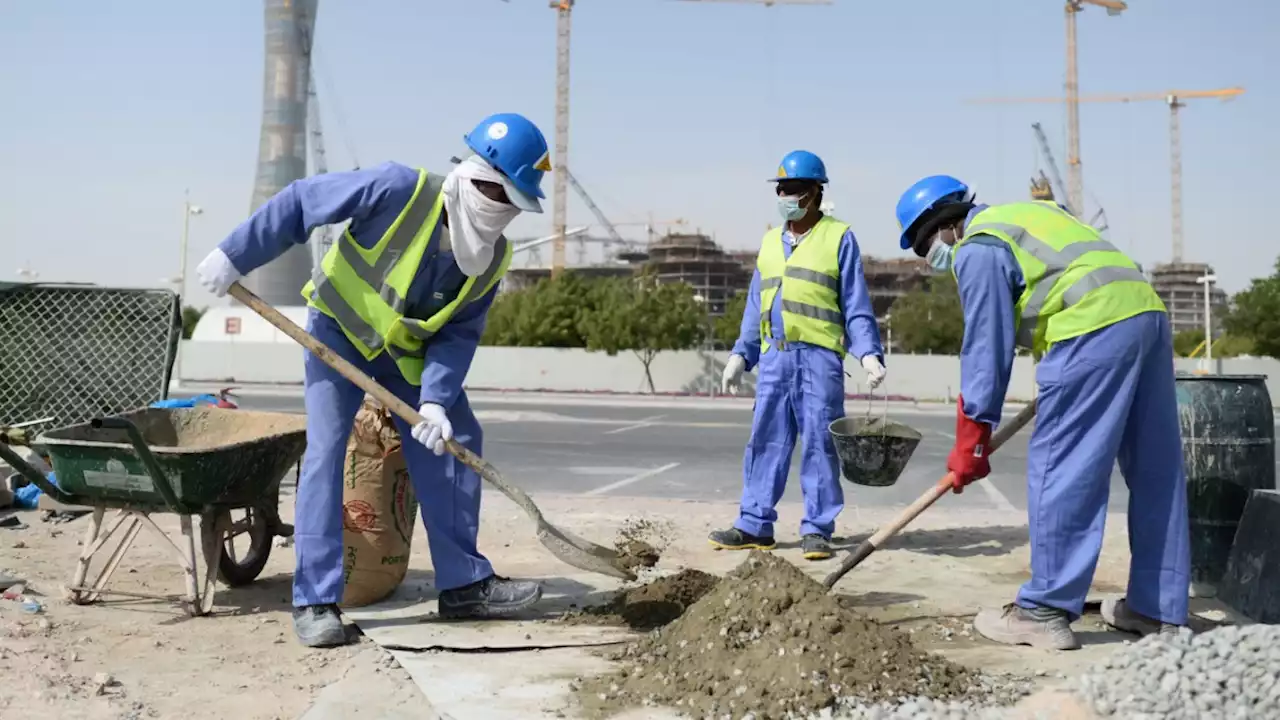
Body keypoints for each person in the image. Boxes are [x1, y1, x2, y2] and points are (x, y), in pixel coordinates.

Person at [195, 113, 553, 648]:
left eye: (514, 208)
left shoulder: (491, 258)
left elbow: (457, 335)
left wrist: (435, 401)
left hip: (403, 358)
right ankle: (315, 598)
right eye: (503, 199)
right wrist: (235, 254)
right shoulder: (398, 189)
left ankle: (463, 584)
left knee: (458, 438)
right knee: (325, 451)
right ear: (480, 179)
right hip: (337, 335)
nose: (504, 217)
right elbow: (301, 201)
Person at [893, 175, 1190, 650]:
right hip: (1145, 317)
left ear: (942, 227)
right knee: (1158, 473)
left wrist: (971, 441)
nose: (932, 261)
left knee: (1062, 467)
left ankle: (1043, 611)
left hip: (1089, 326)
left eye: (925, 249)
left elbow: (986, 350)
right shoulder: (1031, 215)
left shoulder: (979, 246)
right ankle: (1158, 610)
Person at [712, 150, 886, 561]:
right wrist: (742, 354)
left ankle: (817, 529)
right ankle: (754, 524)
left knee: (820, 444)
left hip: (819, 358)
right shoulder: (770, 242)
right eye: (781, 189)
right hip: (776, 357)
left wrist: (868, 354)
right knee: (765, 441)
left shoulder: (839, 237)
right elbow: (757, 304)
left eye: (792, 189)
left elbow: (855, 304)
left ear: (814, 193)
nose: (785, 196)